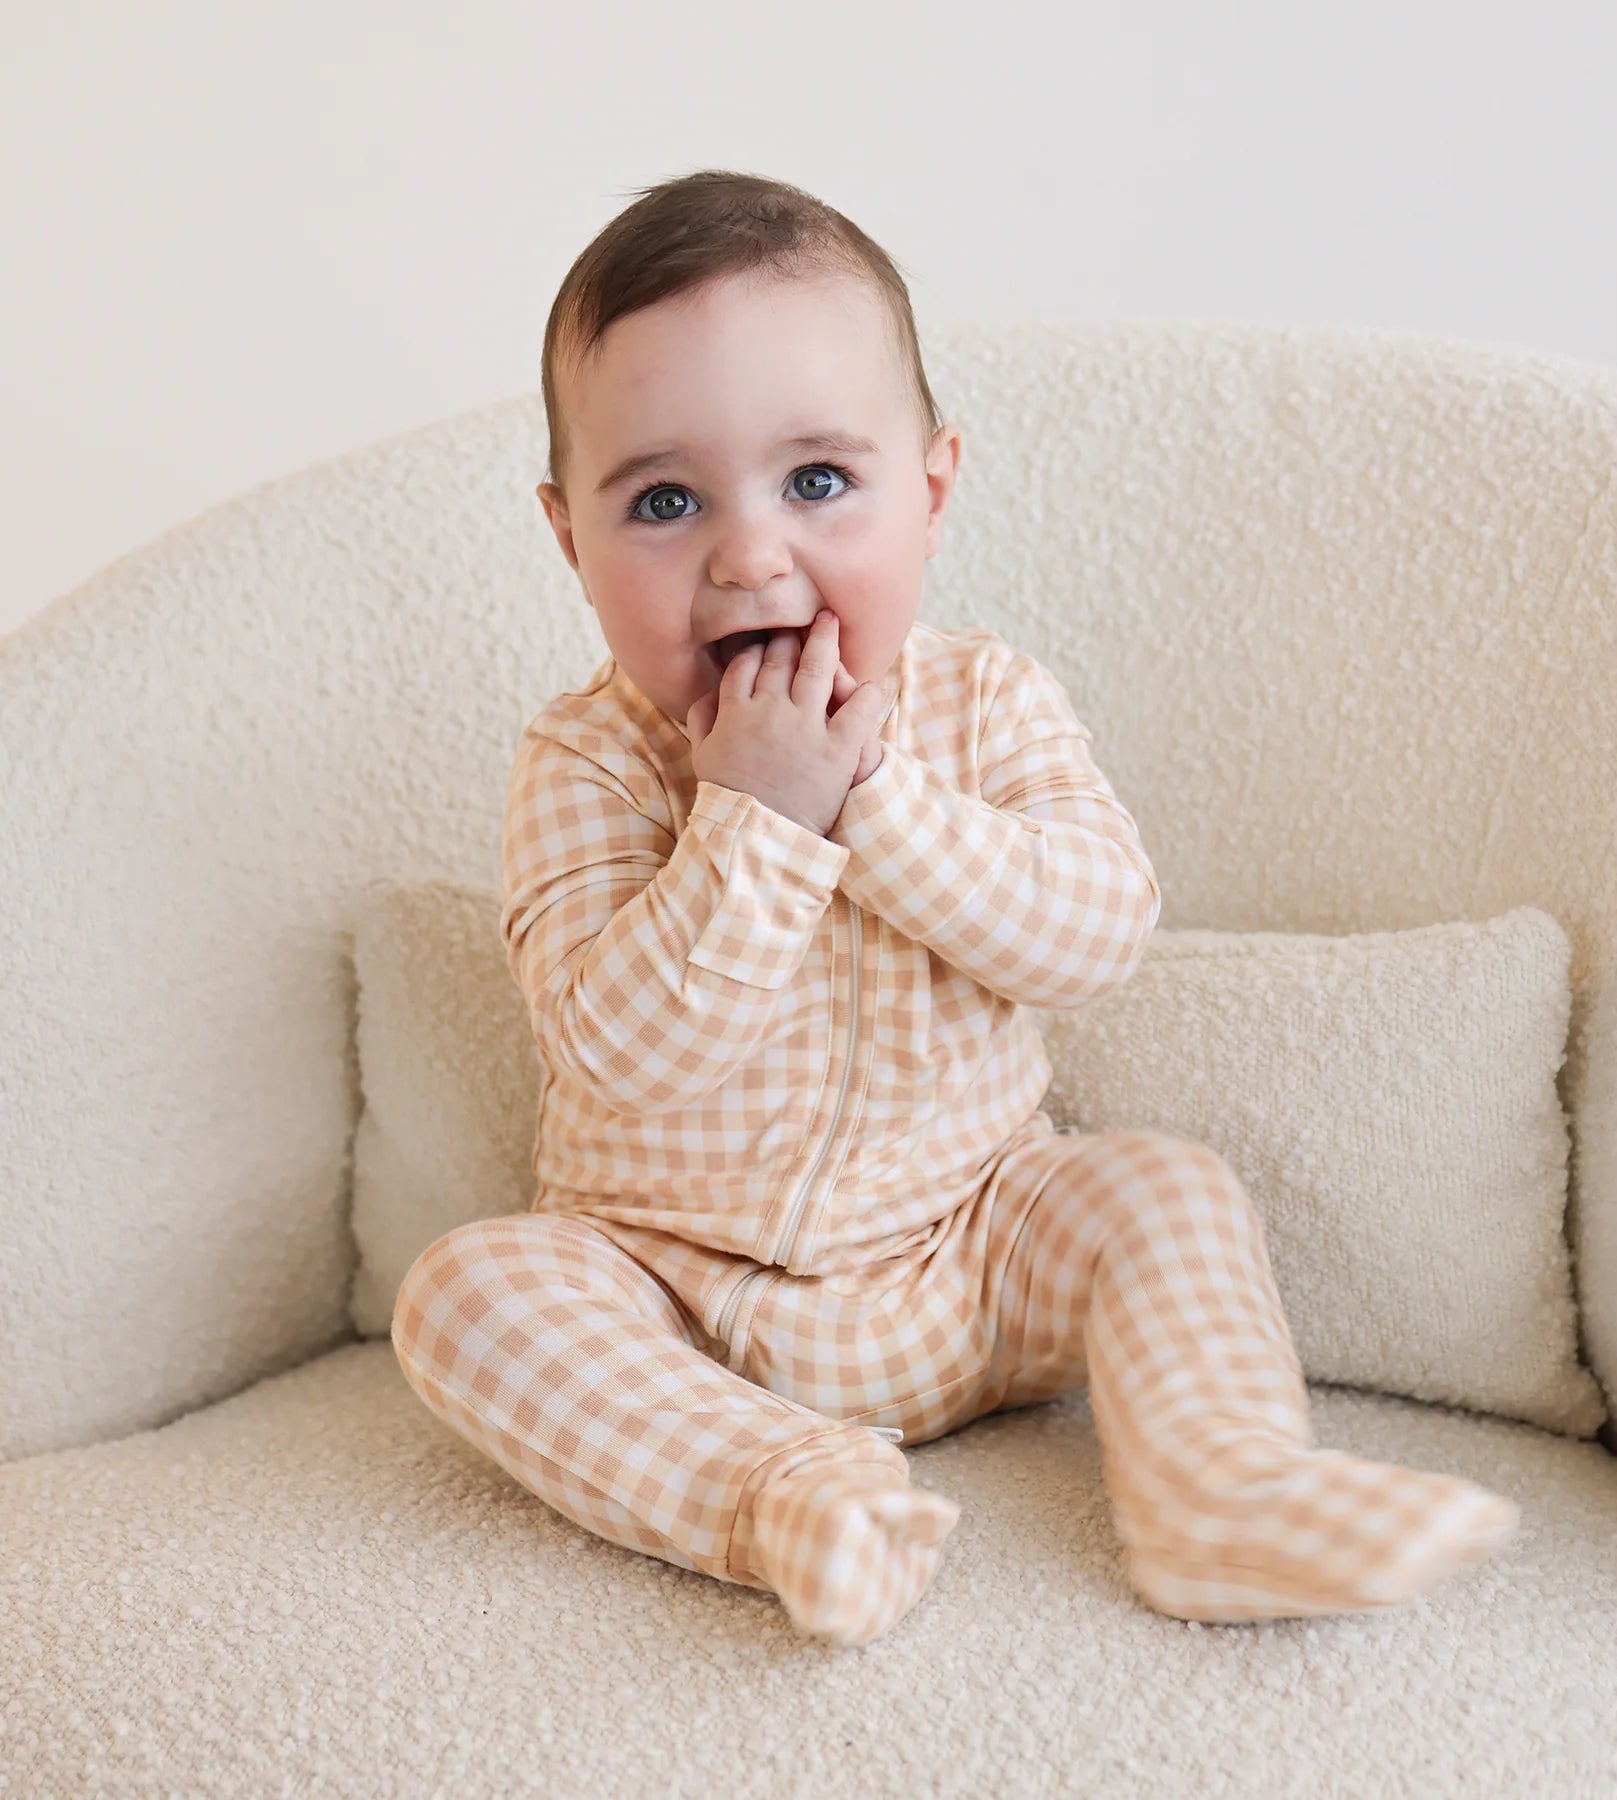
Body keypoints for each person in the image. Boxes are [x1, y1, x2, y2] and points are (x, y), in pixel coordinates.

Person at [390, 169, 1519, 1648]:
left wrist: (870, 803)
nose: (749, 555)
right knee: (468, 1294)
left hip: (973, 1258)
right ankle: (789, 1497)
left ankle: (1221, 1491)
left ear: (928, 493)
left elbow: (1097, 934)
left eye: (817, 481)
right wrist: (755, 820)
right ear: (568, 541)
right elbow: (622, 1055)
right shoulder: (587, 763)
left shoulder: (989, 702)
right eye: (665, 501)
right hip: (679, 1299)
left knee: (1162, 1189)